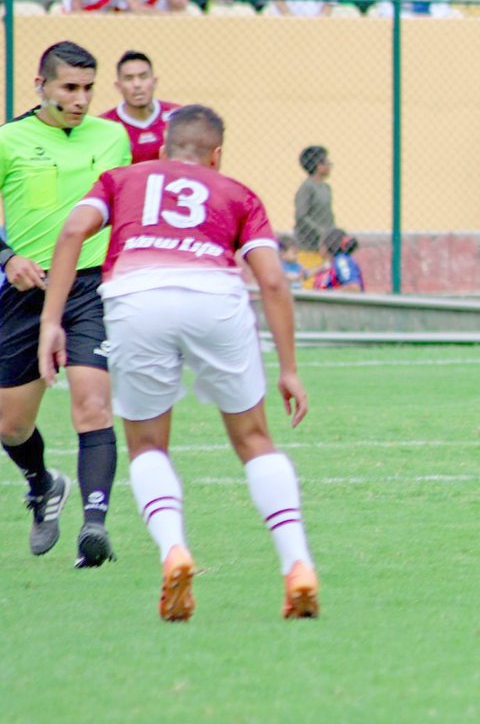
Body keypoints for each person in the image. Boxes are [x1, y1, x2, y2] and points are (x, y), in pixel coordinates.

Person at [38, 105, 317, 621]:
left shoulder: (121, 178)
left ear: (163, 151)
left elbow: (74, 231)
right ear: (216, 155)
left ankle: (174, 551)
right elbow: (274, 282)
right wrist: (290, 368)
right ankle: (297, 563)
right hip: (214, 295)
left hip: (136, 296)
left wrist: (52, 320)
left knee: (147, 445)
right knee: (255, 440)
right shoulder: (238, 192)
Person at [0, 41, 131, 565]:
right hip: (26, 292)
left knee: (92, 405)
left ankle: (93, 527)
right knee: (10, 425)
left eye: (87, 89)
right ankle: (42, 484)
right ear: (41, 86)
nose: (80, 100)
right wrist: (8, 256)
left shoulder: (113, 137)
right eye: (68, 88)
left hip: (91, 288)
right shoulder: (10, 139)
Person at [100, 51, 181, 165]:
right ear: (118, 86)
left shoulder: (177, 116)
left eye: (143, 77)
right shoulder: (105, 124)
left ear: (154, 82)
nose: (137, 84)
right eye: (129, 78)